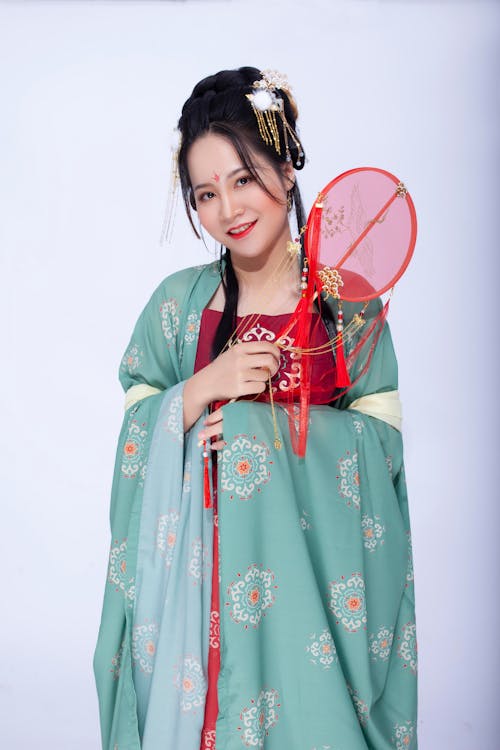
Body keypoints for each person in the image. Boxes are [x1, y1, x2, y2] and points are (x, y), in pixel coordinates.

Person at [93, 66, 418, 750]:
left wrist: (256, 431)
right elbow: (135, 432)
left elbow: (383, 450)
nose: (228, 210)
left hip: (310, 611)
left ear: (288, 169)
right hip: (196, 606)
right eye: (205, 194)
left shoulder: (346, 306)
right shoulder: (179, 309)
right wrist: (203, 388)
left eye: (243, 180)